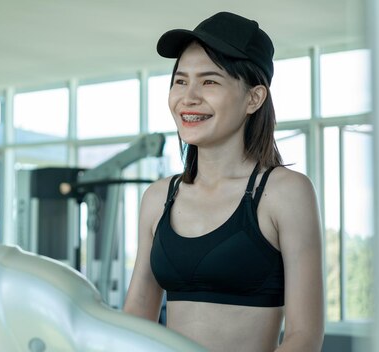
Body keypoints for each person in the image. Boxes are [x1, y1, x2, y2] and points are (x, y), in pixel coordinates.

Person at [124, 12, 324, 352]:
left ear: (253, 98)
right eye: (180, 81)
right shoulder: (159, 197)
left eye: (210, 81)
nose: (189, 97)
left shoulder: (284, 193)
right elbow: (134, 322)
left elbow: (304, 336)